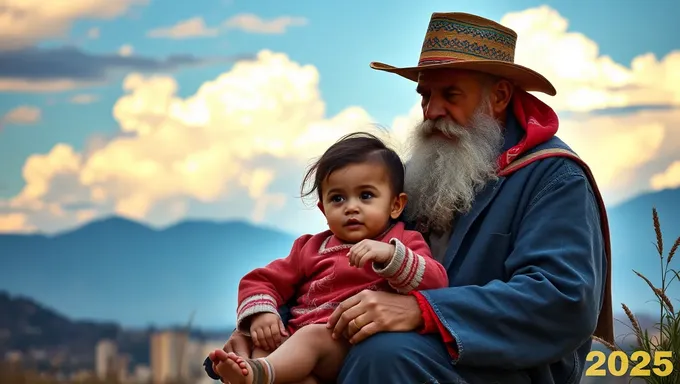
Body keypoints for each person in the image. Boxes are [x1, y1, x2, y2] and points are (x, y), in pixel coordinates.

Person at [207, 11, 614, 383]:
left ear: (500, 97)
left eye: (450, 95)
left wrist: (424, 311)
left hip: (503, 371)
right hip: (400, 354)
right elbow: (326, 271)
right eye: (425, 96)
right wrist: (260, 325)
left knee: (384, 352)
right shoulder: (421, 174)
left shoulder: (554, 178)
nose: (431, 110)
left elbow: (562, 300)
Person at [208, 132, 449, 384]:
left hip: (346, 345)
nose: (351, 207)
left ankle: (256, 373)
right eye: (337, 198)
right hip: (297, 347)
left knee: (308, 340)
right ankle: (256, 371)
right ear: (323, 209)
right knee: (265, 347)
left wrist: (392, 257)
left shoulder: (402, 242)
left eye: (366, 195)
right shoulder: (310, 247)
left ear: (395, 205)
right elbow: (260, 281)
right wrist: (262, 316)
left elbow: (436, 282)